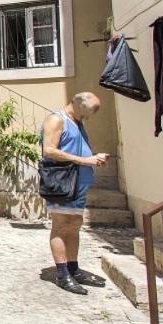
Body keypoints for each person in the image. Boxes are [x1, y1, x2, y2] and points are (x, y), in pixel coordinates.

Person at [41, 92, 109, 295]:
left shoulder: (77, 121)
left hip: (78, 182)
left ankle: (72, 268)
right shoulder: (56, 119)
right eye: (89, 112)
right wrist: (85, 160)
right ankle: (62, 274)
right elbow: (49, 150)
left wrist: (94, 158)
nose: (89, 117)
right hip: (62, 182)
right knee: (61, 225)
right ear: (77, 104)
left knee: (74, 225)